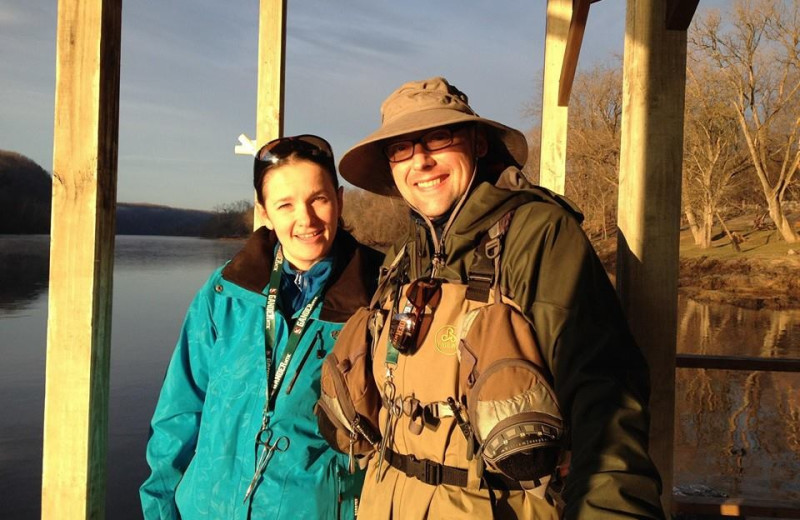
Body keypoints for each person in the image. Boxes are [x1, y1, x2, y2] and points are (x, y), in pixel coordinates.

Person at [335, 77, 666, 519]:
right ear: (391, 168)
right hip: (385, 503)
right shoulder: (401, 258)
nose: (422, 161)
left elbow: (605, 395)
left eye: (438, 137)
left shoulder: (540, 235)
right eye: (402, 148)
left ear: (478, 144)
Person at [140, 134, 383, 519]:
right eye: (285, 204)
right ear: (265, 213)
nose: (305, 219)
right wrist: (160, 510)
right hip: (205, 509)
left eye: (318, 199)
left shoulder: (377, 298)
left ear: (338, 199)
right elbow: (179, 414)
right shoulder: (226, 293)